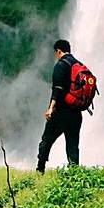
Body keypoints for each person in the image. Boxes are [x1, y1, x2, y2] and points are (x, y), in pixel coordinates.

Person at [36, 39, 83, 173]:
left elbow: (57, 89)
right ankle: (75, 174)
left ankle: (40, 170)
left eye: (55, 53)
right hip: (76, 113)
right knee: (73, 145)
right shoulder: (78, 65)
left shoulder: (61, 65)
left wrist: (50, 109)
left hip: (61, 112)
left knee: (46, 140)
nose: (55, 56)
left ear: (58, 51)